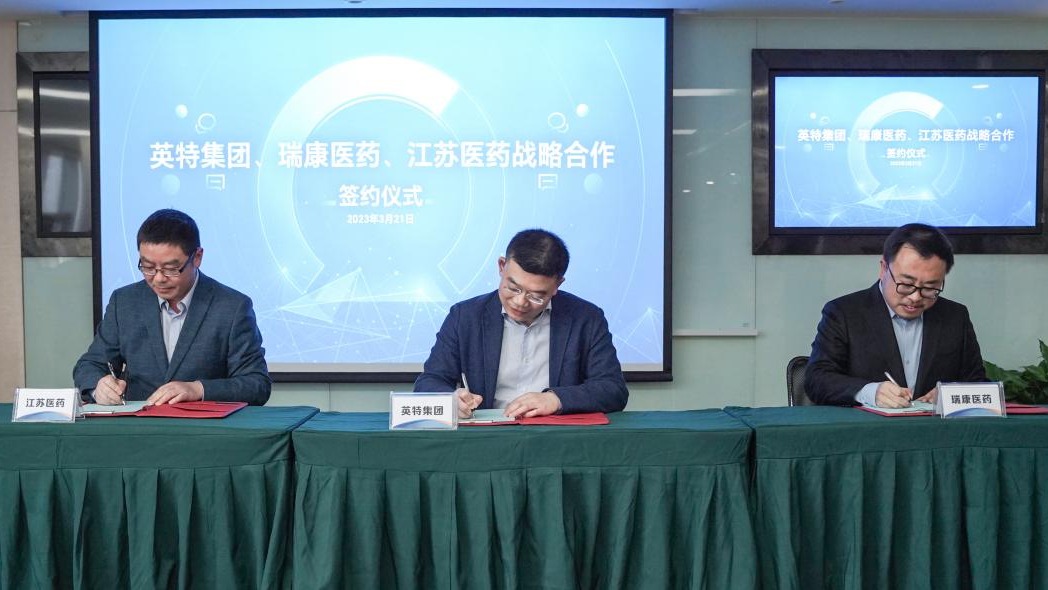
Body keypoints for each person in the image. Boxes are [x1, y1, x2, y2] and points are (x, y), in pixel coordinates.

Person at [415, 229, 628, 419]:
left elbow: (613, 389)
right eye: (513, 288)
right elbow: (430, 381)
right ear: (501, 266)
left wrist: (556, 399)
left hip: (556, 437)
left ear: (557, 284)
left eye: (536, 296)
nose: (520, 302)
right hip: (486, 438)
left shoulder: (586, 318)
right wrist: (451, 400)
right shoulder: (465, 316)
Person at [73, 209, 271, 406]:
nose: (159, 278)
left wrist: (198, 389)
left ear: (197, 257)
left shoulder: (232, 307)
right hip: (139, 423)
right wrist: (99, 387)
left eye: (171, 269)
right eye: (148, 267)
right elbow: (89, 365)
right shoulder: (125, 302)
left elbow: (257, 384)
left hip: (204, 425)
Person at [805, 222, 986, 407]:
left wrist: (952, 393)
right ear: (884, 268)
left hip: (934, 425)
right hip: (868, 424)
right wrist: (870, 392)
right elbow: (817, 379)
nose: (915, 297)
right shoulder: (844, 313)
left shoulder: (955, 317)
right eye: (906, 284)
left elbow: (979, 383)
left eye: (930, 287)